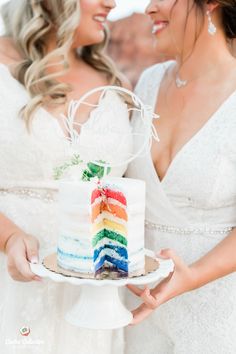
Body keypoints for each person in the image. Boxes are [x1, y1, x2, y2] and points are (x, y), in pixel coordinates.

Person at [0, 1, 132, 353]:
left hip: (94, 295)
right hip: (9, 280)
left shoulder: (114, 80)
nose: (112, 3)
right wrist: (8, 235)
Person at [125, 1, 236, 353]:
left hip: (216, 312)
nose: (148, 7)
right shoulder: (148, 83)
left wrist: (192, 277)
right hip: (138, 311)